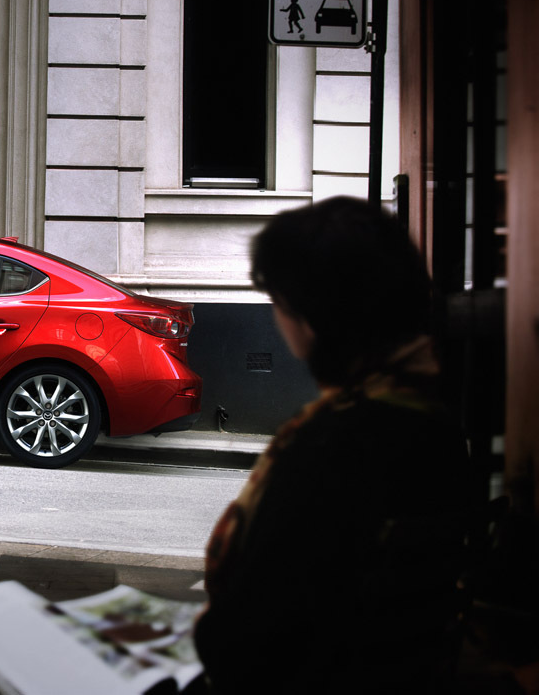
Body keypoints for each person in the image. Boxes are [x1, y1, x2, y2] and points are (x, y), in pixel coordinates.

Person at [194, 196, 473, 694]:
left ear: (312, 319)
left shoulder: (327, 447)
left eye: (280, 303)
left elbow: (245, 645)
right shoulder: (437, 424)